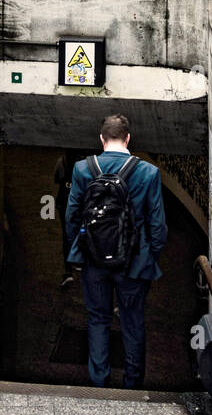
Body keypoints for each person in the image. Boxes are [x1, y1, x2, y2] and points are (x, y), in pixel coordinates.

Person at [64, 114, 167, 390]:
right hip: (134, 263)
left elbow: (72, 215)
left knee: (98, 319)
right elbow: (158, 225)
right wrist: (149, 256)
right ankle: (133, 383)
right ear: (128, 139)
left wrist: (80, 249)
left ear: (102, 139)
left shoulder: (82, 170)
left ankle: (100, 381)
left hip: (94, 261)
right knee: (133, 322)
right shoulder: (148, 173)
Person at [52, 149, 78, 288]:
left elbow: (57, 179)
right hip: (81, 203)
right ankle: (80, 261)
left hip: (65, 202)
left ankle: (68, 271)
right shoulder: (87, 165)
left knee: (66, 236)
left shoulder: (61, 162)